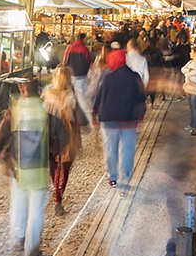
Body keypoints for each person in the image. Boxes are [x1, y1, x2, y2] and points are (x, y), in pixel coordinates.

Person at [0, 79, 50, 256]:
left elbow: (0, 137)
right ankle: (31, 251)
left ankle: (17, 240)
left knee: (18, 204)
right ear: (38, 91)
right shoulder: (46, 110)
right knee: (36, 210)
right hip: (39, 169)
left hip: (18, 168)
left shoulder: (13, 111)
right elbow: (56, 138)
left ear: (21, 88)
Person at [92, 49, 146, 196]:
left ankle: (112, 177)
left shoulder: (107, 77)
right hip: (129, 120)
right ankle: (125, 182)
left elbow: (99, 97)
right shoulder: (135, 77)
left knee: (110, 149)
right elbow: (141, 98)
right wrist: (140, 117)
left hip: (109, 121)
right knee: (127, 151)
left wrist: (94, 113)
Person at [42, 66, 87, 216]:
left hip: (49, 133)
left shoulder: (47, 93)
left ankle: (55, 190)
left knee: (53, 165)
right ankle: (58, 199)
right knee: (65, 168)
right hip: (68, 134)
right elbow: (75, 116)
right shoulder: (70, 96)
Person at [63, 33, 92, 116]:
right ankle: (84, 115)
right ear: (83, 39)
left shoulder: (69, 48)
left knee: (71, 93)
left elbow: (65, 61)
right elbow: (89, 61)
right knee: (82, 96)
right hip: (82, 75)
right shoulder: (84, 49)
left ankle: (70, 112)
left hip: (71, 75)